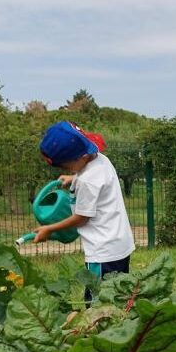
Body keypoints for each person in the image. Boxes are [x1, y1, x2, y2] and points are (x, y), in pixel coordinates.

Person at [35, 121, 135, 298]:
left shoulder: (87, 181)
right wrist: (73, 177)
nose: (67, 169)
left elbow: (81, 218)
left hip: (102, 252)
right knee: (119, 296)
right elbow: (90, 175)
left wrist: (49, 229)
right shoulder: (101, 160)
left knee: (98, 304)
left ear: (79, 158)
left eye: (67, 166)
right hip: (118, 244)